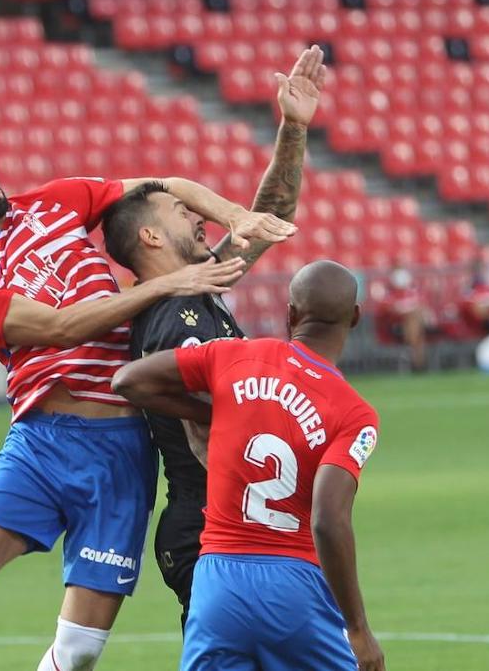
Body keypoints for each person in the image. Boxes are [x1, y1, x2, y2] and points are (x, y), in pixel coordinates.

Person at [0, 133, 294, 671]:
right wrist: (166, 285)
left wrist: (235, 214)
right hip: (41, 444)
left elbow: (166, 185)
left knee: (79, 651)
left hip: (123, 450)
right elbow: (60, 327)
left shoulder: (55, 202)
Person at [103, 46, 323, 629]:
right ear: (151, 237)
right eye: (182, 211)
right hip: (211, 525)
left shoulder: (195, 290)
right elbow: (203, 428)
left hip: (223, 522)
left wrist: (293, 128)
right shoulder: (170, 315)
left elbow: (269, 217)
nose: (201, 217)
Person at [113, 260, 386, 671]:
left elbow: (127, 380)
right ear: (355, 317)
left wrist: (211, 413)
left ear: (290, 314)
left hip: (217, 580)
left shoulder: (232, 356)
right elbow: (328, 520)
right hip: (294, 586)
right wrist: (359, 629)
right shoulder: (355, 415)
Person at [375, 267, 435, 371]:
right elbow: (391, 310)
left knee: (415, 321)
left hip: (415, 326)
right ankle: (418, 361)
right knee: (414, 321)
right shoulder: (388, 294)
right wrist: (409, 310)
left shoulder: (413, 292)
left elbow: (423, 307)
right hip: (395, 327)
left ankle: (414, 356)